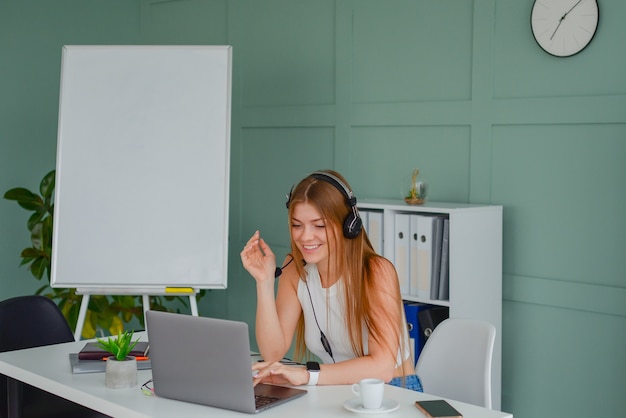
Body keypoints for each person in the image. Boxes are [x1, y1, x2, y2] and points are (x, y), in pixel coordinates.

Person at [240, 170, 422, 391]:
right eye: (297, 225)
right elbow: (273, 352)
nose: (305, 237)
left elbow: (381, 368)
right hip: (335, 388)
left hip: (392, 392)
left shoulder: (376, 272)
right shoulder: (295, 269)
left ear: (348, 225)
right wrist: (264, 282)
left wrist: (306, 375)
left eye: (319, 226)